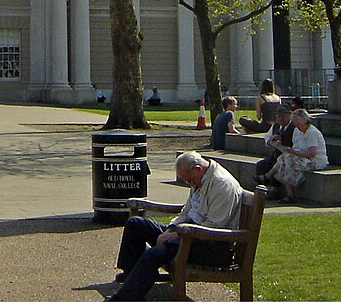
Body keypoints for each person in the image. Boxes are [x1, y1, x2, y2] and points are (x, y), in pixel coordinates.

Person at [107, 151, 243, 302]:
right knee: (135, 224)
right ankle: (132, 275)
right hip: (188, 234)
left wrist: (175, 235)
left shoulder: (221, 185)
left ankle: (123, 298)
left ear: (197, 168)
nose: (191, 185)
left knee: (155, 253)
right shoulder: (200, 177)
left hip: (211, 246)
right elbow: (186, 212)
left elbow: (214, 227)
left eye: (190, 181)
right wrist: (172, 229)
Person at [267, 108, 328, 202]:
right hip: (302, 157)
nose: (295, 125)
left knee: (288, 159)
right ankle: (289, 193)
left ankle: (272, 178)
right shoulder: (297, 131)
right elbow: (296, 147)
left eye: (296, 122)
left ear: (302, 121)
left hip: (315, 161)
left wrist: (295, 153)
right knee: (285, 157)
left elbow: (312, 153)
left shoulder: (312, 132)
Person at [254, 104, 295, 184]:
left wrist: (282, 142)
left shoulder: (294, 127)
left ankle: (273, 189)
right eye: (278, 116)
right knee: (261, 165)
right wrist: (271, 140)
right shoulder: (275, 126)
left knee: (276, 166)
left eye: (283, 116)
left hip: (287, 154)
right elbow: (267, 139)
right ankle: (261, 188)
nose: (280, 119)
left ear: (289, 116)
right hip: (275, 154)